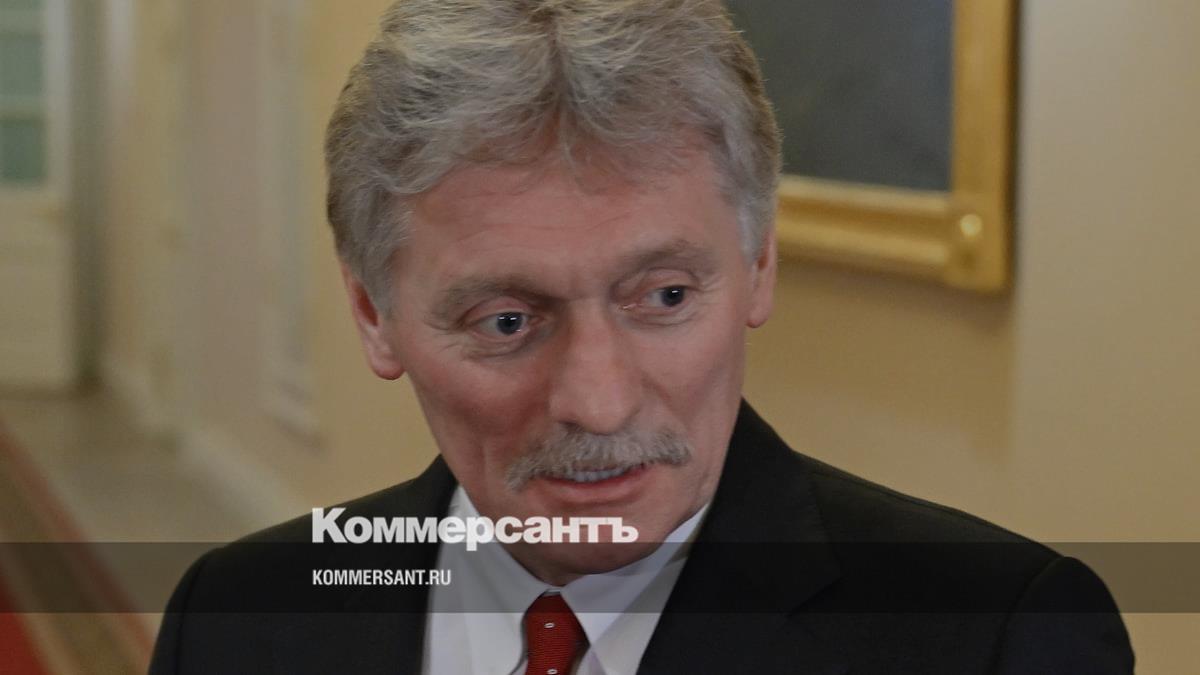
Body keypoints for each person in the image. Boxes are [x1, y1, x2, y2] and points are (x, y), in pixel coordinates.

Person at [151, 1, 1134, 673]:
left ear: (758, 265)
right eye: (507, 321)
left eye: (662, 297)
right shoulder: (235, 616)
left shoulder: (999, 636)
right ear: (374, 314)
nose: (599, 400)